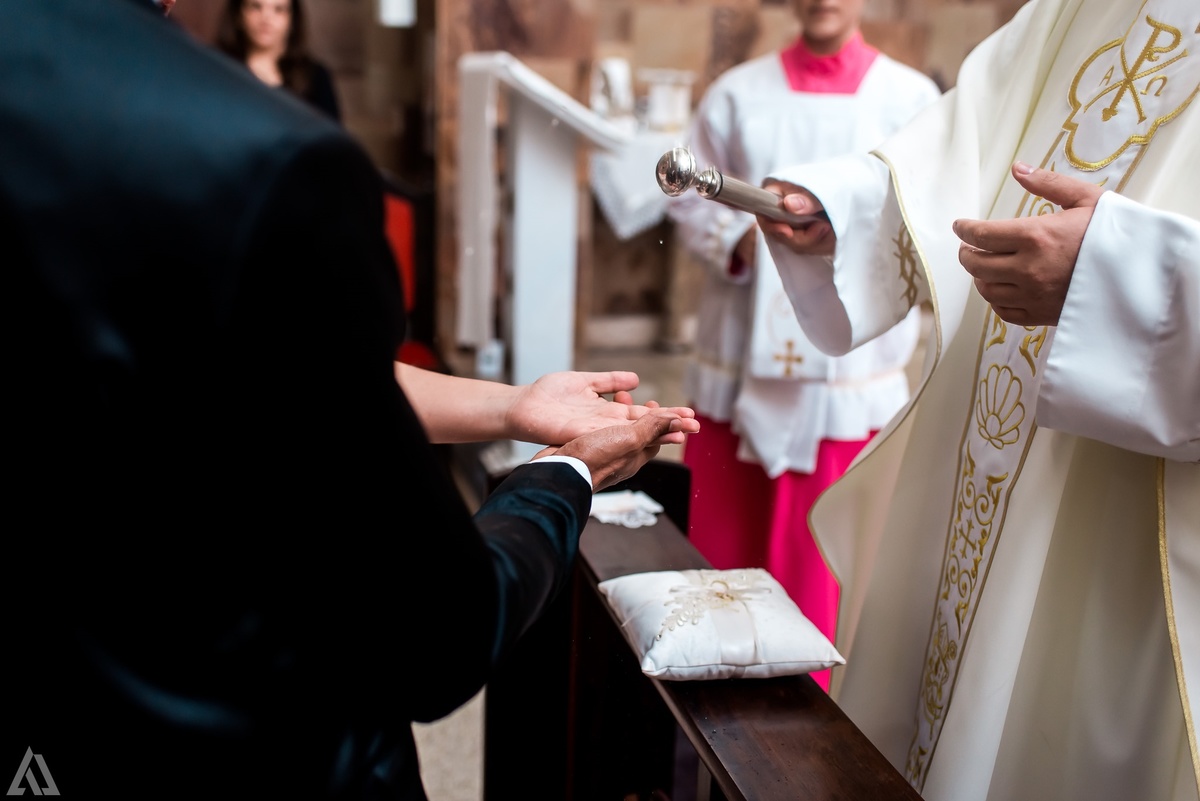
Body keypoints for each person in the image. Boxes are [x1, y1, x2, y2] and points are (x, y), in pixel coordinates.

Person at [0, 0, 699, 798]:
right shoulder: (257, 157)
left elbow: (274, 379)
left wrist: (512, 407)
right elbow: (439, 635)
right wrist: (564, 474)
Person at [755, 0, 1199, 797]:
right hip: (973, 456)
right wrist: (852, 202)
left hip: (1124, 524)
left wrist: (1129, 280)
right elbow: (980, 121)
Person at [666, 0, 940, 690]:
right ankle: (708, 721)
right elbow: (688, 200)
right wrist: (742, 244)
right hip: (739, 370)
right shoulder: (738, 93)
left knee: (820, 575)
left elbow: (927, 213)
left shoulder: (911, 99)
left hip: (846, 383)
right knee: (720, 572)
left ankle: (806, 726)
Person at [215, 0, 341, 121]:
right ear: (238, 14)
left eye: (278, 9)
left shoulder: (316, 76)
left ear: (292, 19)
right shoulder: (220, 71)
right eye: (256, 6)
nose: (266, 18)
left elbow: (331, 134)